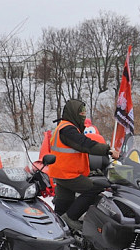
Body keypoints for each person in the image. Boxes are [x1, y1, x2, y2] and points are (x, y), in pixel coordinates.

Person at [49, 99, 119, 231]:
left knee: (63, 205)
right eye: (81, 112)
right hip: (68, 174)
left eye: (85, 112)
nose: (84, 115)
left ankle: (60, 231)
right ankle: (71, 218)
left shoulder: (63, 127)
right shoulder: (67, 129)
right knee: (95, 188)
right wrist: (108, 150)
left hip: (61, 173)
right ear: (73, 113)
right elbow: (84, 144)